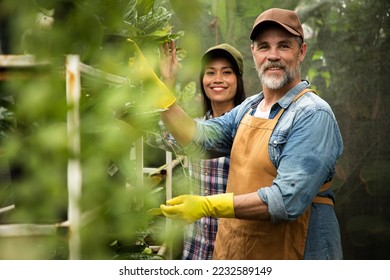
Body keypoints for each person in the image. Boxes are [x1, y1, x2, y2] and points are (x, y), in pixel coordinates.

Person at [153, 8, 344, 260]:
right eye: (264, 46)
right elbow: (200, 137)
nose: (273, 56)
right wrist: (159, 92)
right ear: (253, 52)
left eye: (284, 46)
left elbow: (286, 200)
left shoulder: (312, 114)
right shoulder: (250, 107)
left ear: (302, 52)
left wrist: (207, 205)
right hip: (241, 251)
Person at [147, 42, 246, 259]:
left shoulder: (250, 127)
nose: (217, 79)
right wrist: (168, 80)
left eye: (226, 73)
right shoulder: (192, 130)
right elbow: (155, 132)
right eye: (210, 73)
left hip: (237, 252)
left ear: (238, 80)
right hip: (197, 251)